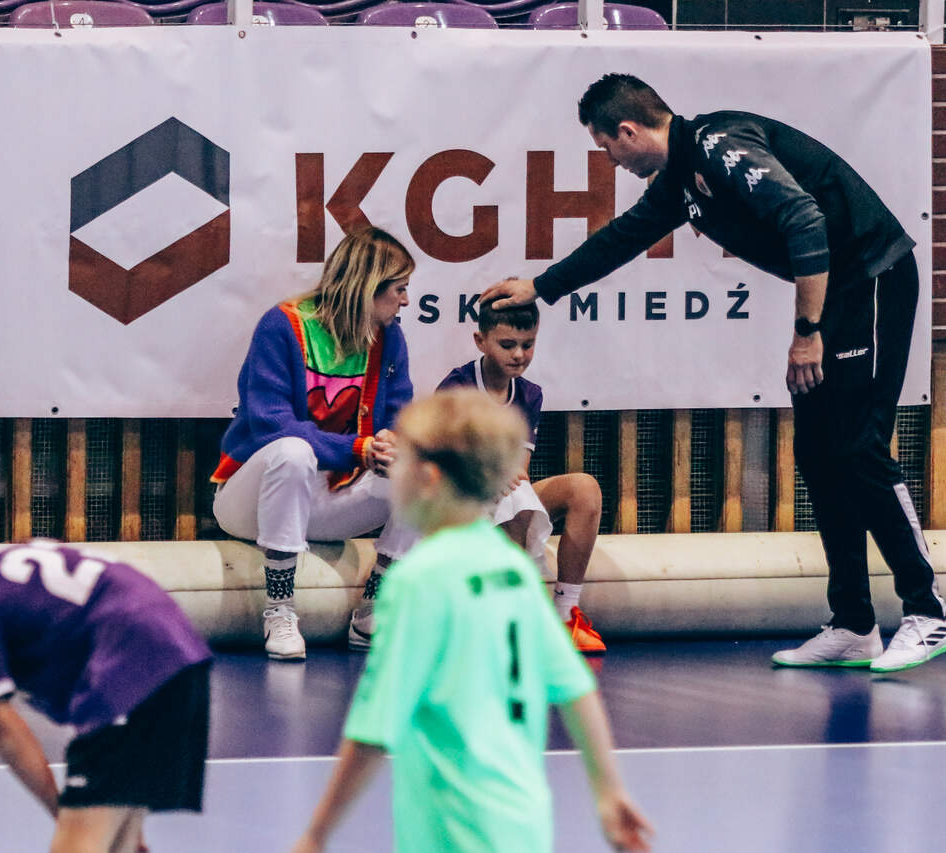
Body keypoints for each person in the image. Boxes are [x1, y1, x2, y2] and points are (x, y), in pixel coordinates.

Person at [482, 73, 946, 673]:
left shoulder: (718, 144)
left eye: (606, 147)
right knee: (818, 453)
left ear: (628, 131)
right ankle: (853, 622)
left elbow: (804, 219)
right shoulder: (680, 180)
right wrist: (540, 286)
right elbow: (621, 240)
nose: (609, 160)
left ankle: (929, 610)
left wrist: (806, 331)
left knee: (859, 448)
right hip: (836, 297)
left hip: (871, 280)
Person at [290, 389, 653, 853]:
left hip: (451, 828)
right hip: (524, 824)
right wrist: (609, 793)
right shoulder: (514, 570)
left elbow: (372, 729)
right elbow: (576, 689)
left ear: (428, 478)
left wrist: (317, 833)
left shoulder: (418, 579)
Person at [0, 477, 211, 853]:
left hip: (130, 673)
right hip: (180, 655)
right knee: (120, 846)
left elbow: (5, 729)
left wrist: (63, 814)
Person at [211, 226, 419, 660]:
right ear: (367, 287)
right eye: (399, 289)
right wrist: (359, 450)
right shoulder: (283, 325)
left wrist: (393, 443)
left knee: (426, 472)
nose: (404, 300)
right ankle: (280, 610)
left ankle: (375, 608)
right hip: (250, 503)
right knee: (293, 451)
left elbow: (399, 415)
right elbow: (272, 425)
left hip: (326, 501)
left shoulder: (389, 337)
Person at [437, 296, 607, 654]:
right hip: (460, 504)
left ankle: (566, 613)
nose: (519, 355)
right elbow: (441, 467)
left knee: (584, 489)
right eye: (507, 345)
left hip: (506, 494)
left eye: (528, 345)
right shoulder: (458, 387)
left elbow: (521, 472)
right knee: (511, 495)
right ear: (480, 341)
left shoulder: (529, 395)